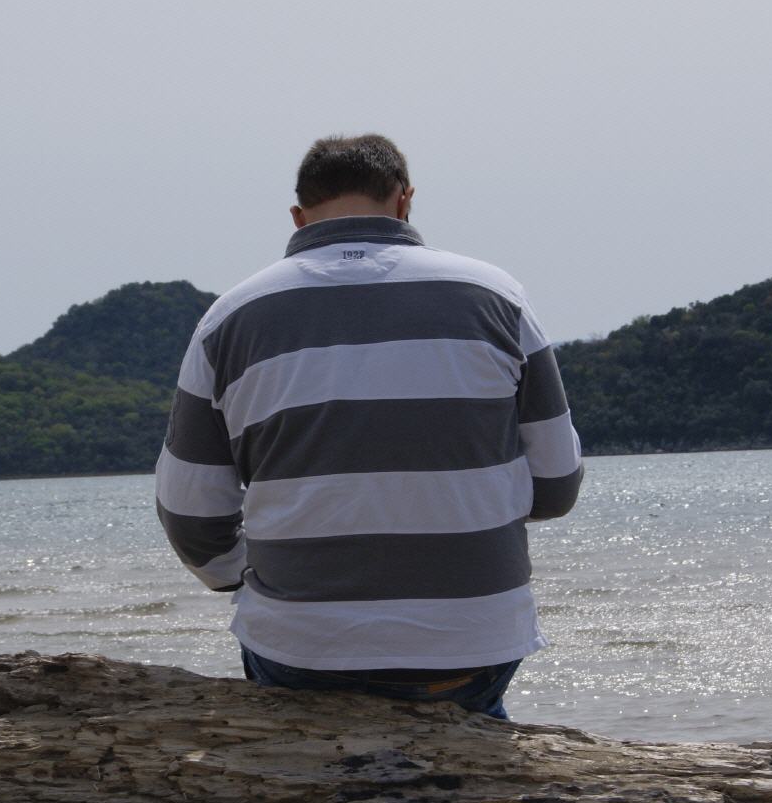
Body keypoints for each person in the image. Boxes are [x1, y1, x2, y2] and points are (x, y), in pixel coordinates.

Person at [154, 133, 582, 719]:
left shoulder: (230, 318)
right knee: (466, 753)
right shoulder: (495, 297)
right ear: (405, 201)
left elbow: (191, 513)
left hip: (302, 645)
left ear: (298, 216)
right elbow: (556, 486)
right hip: (471, 643)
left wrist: (239, 576)